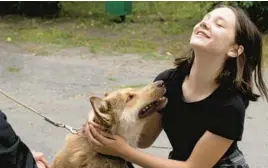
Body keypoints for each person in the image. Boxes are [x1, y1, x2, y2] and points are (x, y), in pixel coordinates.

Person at [86, 4, 268, 168]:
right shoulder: (168, 82)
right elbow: (144, 140)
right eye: (205, 19)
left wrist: (123, 151)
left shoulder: (230, 106)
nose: (205, 23)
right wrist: (102, 115)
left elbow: (193, 167)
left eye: (219, 25)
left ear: (235, 50)